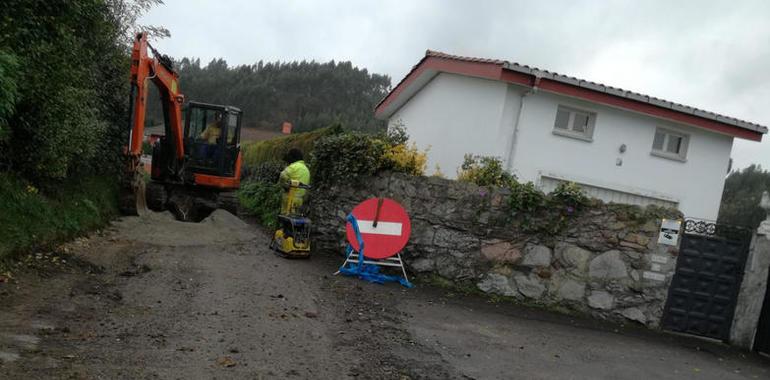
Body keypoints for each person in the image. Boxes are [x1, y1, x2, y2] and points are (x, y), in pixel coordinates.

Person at [279, 148, 310, 214]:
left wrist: (284, 184)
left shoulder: (293, 167)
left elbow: (282, 175)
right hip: (300, 199)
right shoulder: (306, 169)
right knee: (295, 216)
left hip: (289, 198)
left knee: (285, 216)